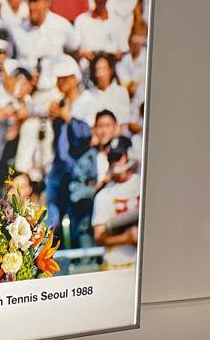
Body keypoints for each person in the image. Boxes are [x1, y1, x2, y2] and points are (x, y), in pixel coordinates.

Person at [44, 55, 93, 240]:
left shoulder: (88, 100)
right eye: (58, 79)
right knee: (52, 217)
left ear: (74, 78)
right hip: (58, 167)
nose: (60, 82)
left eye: (64, 78)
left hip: (78, 167)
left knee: (76, 220)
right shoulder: (61, 102)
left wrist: (68, 118)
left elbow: (87, 136)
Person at [69, 109, 119, 251]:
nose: (103, 131)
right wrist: (98, 186)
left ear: (116, 127)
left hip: (117, 217)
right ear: (94, 129)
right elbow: (75, 190)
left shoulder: (126, 153)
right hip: (90, 223)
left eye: (107, 126)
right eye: (100, 126)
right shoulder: (87, 159)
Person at [92, 136, 140, 270]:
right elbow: (99, 237)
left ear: (129, 155)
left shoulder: (143, 184)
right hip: (115, 263)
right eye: (111, 158)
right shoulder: (103, 195)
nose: (114, 162)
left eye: (118, 157)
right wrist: (126, 238)